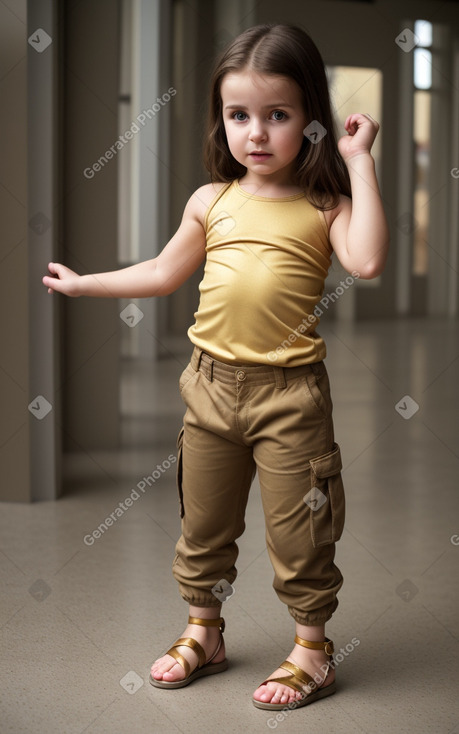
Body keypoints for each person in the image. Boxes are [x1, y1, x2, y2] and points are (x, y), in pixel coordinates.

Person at [43, 23, 389, 711]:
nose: (255, 133)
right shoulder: (211, 200)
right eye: (239, 116)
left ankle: (312, 651)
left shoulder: (326, 206)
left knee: (300, 532)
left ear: (311, 121)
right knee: (201, 527)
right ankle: (205, 632)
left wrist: (358, 160)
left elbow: (368, 261)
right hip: (209, 390)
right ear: (220, 119)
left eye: (277, 116)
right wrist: (86, 285)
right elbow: (163, 272)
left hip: (290, 398)